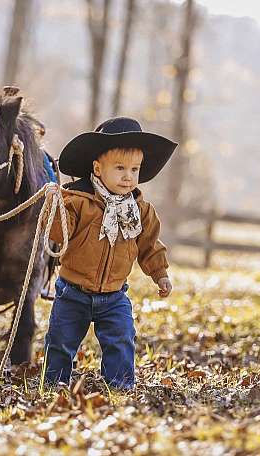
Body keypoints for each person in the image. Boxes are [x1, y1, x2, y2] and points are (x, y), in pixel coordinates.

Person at [42, 116, 177, 390]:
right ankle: (54, 383)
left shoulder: (140, 211)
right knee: (60, 340)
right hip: (73, 292)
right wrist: (54, 206)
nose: (128, 176)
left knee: (122, 338)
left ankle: (120, 385)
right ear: (97, 168)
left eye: (135, 169)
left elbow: (150, 245)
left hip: (114, 295)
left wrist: (160, 274)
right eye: (120, 168)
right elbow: (58, 233)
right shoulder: (78, 202)